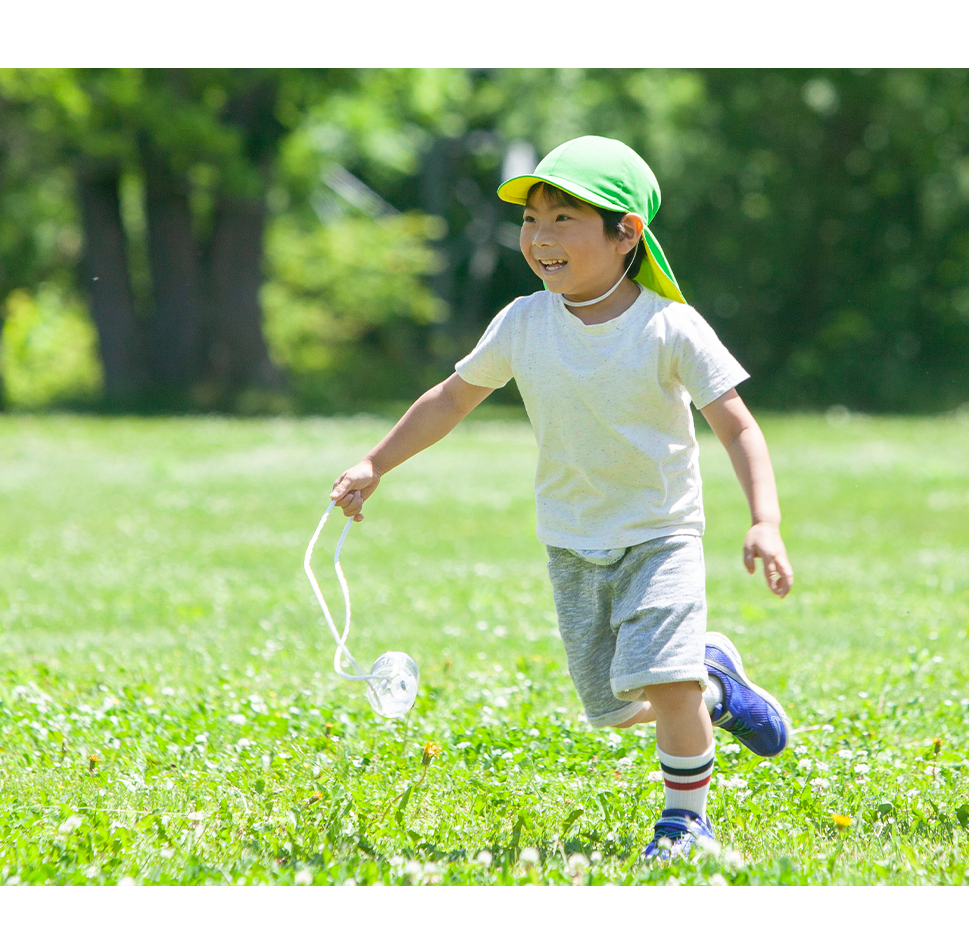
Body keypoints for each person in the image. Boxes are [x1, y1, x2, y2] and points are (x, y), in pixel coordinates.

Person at [328, 135, 796, 858]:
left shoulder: (669, 326)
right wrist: (375, 462)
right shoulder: (523, 321)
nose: (540, 239)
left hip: (660, 531)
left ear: (626, 235)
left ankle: (684, 824)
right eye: (530, 221)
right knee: (614, 706)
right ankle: (719, 688)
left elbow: (737, 427)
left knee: (665, 683)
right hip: (573, 538)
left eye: (563, 220)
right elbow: (451, 399)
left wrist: (764, 520)